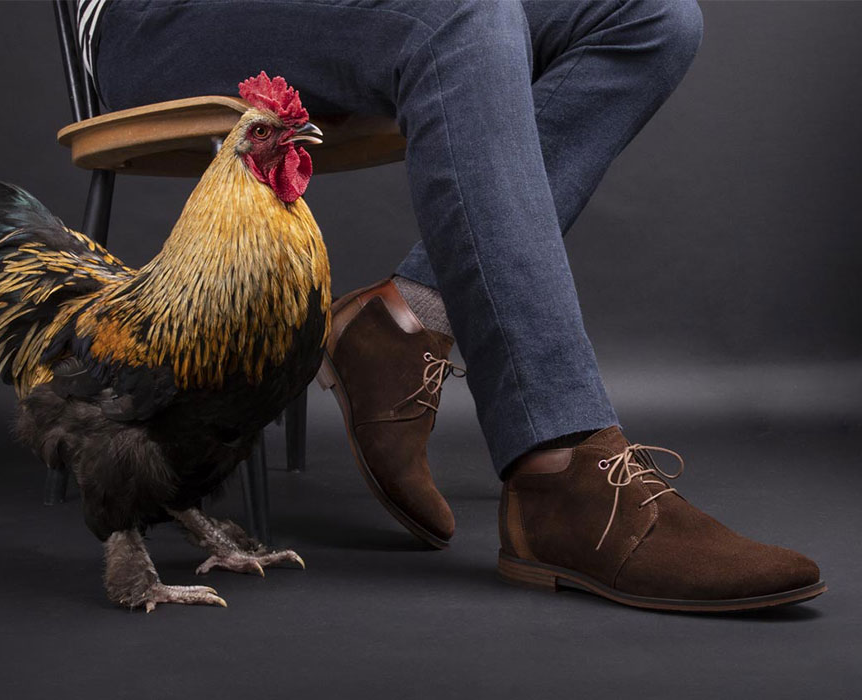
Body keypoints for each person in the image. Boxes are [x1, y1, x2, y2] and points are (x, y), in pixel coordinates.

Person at [80, 0, 825, 611]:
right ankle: (558, 471)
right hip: (157, 21)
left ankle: (405, 323)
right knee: (462, 14)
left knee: (651, 19)